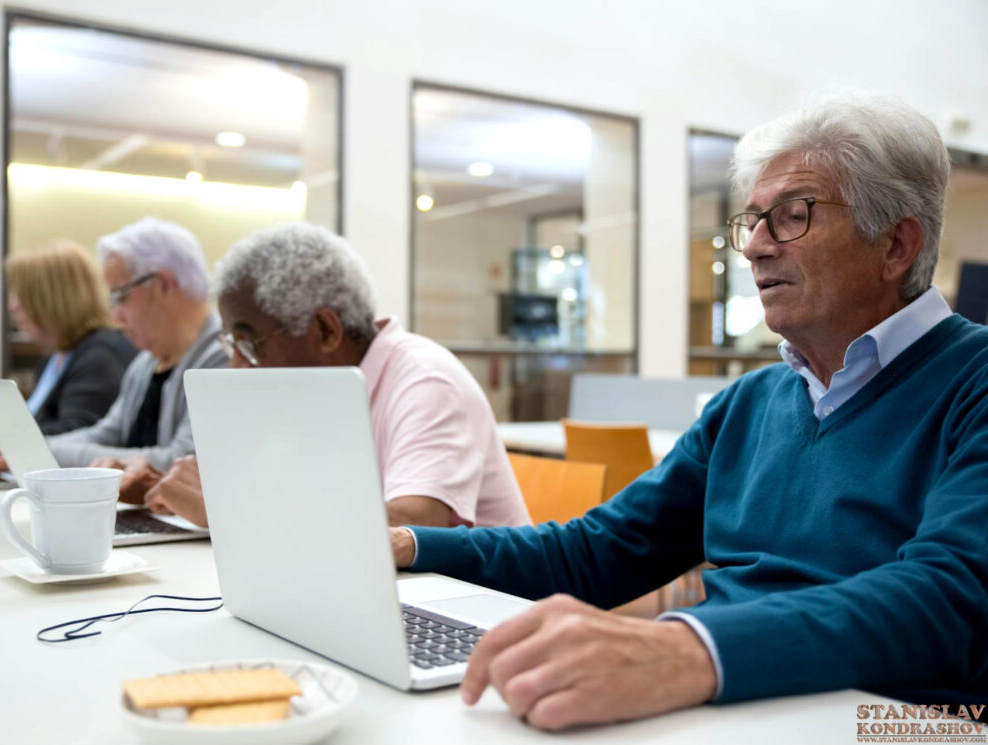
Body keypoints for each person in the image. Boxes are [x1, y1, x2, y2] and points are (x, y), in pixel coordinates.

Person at [387, 93, 988, 730]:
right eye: (752, 220)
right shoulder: (747, 405)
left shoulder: (971, 382)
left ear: (895, 244)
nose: (754, 246)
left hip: (887, 721)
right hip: (722, 703)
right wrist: (412, 545)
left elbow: (951, 596)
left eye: (792, 215)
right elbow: (597, 552)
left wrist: (687, 650)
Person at [144, 222, 530, 529]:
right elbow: (285, 498)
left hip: (480, 609)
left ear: (326, 330)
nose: (238, 367)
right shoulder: (319, 388)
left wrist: (230, 511)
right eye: (232, 345)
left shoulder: (426, 381)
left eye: (251, 344)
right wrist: (165, 487)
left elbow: (413, 524)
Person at [45, 218, 227, 500]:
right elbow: (105, 434)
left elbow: (181, 460)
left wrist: (46, 452)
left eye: (120, 296)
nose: (115, 316)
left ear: (162, 284)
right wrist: (31, 446)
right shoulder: (144, 364)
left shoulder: (225, 358)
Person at [0, 240, 136, 472]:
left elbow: (76, 432)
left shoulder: (100, 355)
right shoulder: (54, 357)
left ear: (51, 300)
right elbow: (36, 424)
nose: (13, 307)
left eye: (23, 296)